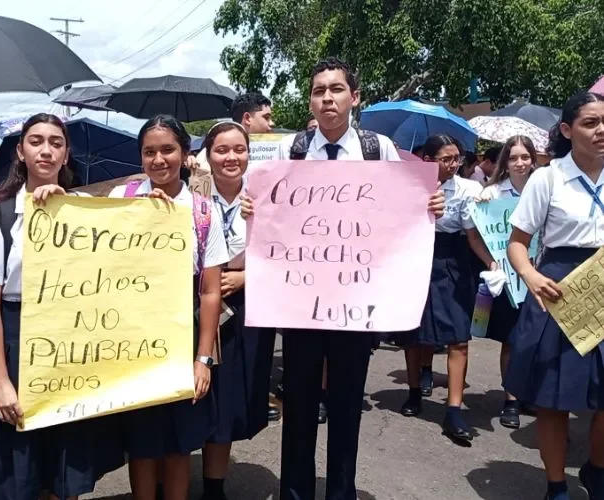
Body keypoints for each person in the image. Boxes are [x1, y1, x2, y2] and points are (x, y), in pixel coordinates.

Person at [244, 57, 444, 500]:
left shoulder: (378, 150)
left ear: (355, 97)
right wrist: (251, 210)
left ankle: (341, 491)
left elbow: (403, 212)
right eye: (318, 91)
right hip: (299, 303)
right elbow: (267, 215)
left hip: (357, 303)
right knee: (298, 404)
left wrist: (428, 208)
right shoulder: (290, 151)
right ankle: (295, 491)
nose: (327, 98)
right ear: (310, 100)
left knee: (347, 403)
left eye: (336, 89)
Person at [0, 113, 123, 500]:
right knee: (20, 462)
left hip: (73, 341)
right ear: (20, 151)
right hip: (18, 339)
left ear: (67, 154)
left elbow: (124, 261)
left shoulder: (85, 208)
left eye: (56, 142)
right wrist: (0, 380)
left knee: (67, 459)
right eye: (36, 141)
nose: (46, 150)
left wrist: (152, 209)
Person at [108, 115, 227, 500]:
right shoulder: (121, 201)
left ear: (185, 154)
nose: (159, 159)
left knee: (180, 441)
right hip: (132, 340)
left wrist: (203, 359)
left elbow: (210, 291)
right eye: (149, 152)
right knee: (141, 443)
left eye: (167, 150)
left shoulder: (203, 211)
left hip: (183, 338)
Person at [505, 91, 604, 500]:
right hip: (560, 290)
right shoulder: (547, 178)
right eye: (590, 123)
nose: (601, 131)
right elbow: (516, 243)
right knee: (554, 398)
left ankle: (597, 470)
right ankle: (556, 484)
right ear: (567, 130)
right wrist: (529, 274)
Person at [396, 135, 494, 444]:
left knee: (458, 336)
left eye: (457, 159)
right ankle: (414, 392)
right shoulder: (408, 186)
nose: (453, 165)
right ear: (427, 159)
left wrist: (492, 262)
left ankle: (454, 408)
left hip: (453, 262)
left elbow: (473, 235)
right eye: (446, 159)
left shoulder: (467, 189)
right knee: (413, 335)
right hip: (415, 259)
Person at [197, 121, 276, 500]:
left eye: (239, 149)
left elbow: (290, 253)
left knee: (227, 398)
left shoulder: (270, 196)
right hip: (195, 301)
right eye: (222, 150)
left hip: (246, 302)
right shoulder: (190, 196)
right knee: (189, 393)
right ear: (208, 155)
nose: (231, 157)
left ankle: (214, 486)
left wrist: (246, 277)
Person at [475, 135, 537, 429]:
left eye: (525, 157)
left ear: (533, 160)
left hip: (542, 274)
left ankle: (529, 391)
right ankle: (511, 399)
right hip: (509, 278)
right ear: (505, 163)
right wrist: (491, 262)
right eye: (513, 158)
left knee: (537, 340)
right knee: (511, 339)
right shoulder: (494, 194)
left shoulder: (545, 189)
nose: (520, 163)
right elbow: (476, 235)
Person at [194, 92, 274, 172]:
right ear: (247, 118)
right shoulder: (205, 158)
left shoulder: (279, 151)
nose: (272, 123)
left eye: (240, 150)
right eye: (266, 117)